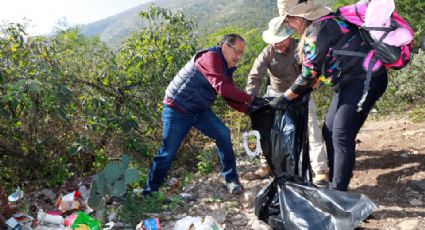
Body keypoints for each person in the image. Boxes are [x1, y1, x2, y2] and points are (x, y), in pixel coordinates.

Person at [272, 0, 388, 191]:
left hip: (365, 80)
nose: (288, 27)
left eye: (288, 22)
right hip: (349, 83)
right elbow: (316, 72)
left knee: (342, 135)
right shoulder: (328, 21)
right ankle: (337, 180)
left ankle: (337, 192)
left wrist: (284, 99)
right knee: (329, 130)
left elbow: (308, 75)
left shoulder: (317, 31)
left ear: (297, 18)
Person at [143, 34, 268, 195]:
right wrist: (253, 99)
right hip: (177, 108)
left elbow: (228, 96)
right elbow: (224, 88)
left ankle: (231, 179)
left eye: (241, 53)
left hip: (199, 109)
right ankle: (149, 192)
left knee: (223, 133)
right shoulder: (210, 58)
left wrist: (250, 110)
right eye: (238, 52)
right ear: (225, 46)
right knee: (167, 152)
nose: (239, 57)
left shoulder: (226, 66)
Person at [246, 16, 328, 185]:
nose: (278, 45)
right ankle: (266, 164)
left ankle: (320, 169)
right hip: (276, 93)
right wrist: (251, 98)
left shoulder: (302, 47)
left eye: (281, 41)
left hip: (300, 92)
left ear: (289, 36)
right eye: (275, 41)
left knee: (311, 126)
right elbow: (255, 76)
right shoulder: (267, 53)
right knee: (267, 127)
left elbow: (316, 70)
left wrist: (311, 86)